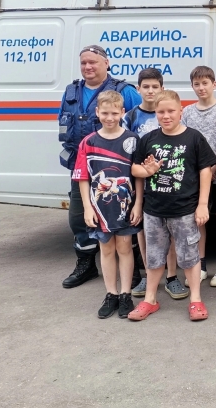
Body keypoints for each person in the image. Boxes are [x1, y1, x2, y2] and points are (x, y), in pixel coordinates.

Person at [127, 90, 216, 321]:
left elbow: (206, 170)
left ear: (180, 111)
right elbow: (135, 169)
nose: (166, 116)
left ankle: (195, 300)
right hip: (154, 211)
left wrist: (203, 204)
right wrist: (146, 171)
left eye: (170, 111)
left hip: (185, 210)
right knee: (155, 257)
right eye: (161, 112)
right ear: (156, 113)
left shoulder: (194, 138)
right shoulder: (148, 139)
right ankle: (150, 300)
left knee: (189, 256)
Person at [58, 45, 142, 289]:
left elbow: (138, 125)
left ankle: (132, 273)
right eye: (83, 62)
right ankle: (86, 264)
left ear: (107, 63)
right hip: (83, 167)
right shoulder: (71, 92)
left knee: (125, 219)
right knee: (79, 219)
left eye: (93, 62)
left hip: (119, 170)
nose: (88, 67)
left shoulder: (124, 92)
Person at [72, 91, 143, 319]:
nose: (109, 118)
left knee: (125, 248)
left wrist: (138, 204)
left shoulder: (132, 140)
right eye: (105, 113)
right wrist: (87, 207)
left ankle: (125, 294)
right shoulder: (88, 142)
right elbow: (83, 177)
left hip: (125, 205)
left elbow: (139, 176)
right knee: (106, 249)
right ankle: (111, 293)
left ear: (122, 112)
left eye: (114, 113)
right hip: (99, 208)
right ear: (97, 112)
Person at [125, 68, 187, 301]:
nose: (150, 91)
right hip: (141, 180)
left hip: (170, 183)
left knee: (169, 232)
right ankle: (148, 273)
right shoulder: (130, 116)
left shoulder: (169, 113)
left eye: (155, 87)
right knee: (144, 231)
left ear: (162, 88)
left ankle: (171, 276)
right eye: (146, 87)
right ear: (138, 89)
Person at [181, 66, 216, 287]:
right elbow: (184, 143)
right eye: (197, 84)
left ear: (214, 84)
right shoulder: (187, 112)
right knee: (199, 219)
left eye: (205, 83)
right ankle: (200, 264)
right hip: (196, 176)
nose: (201, 88)